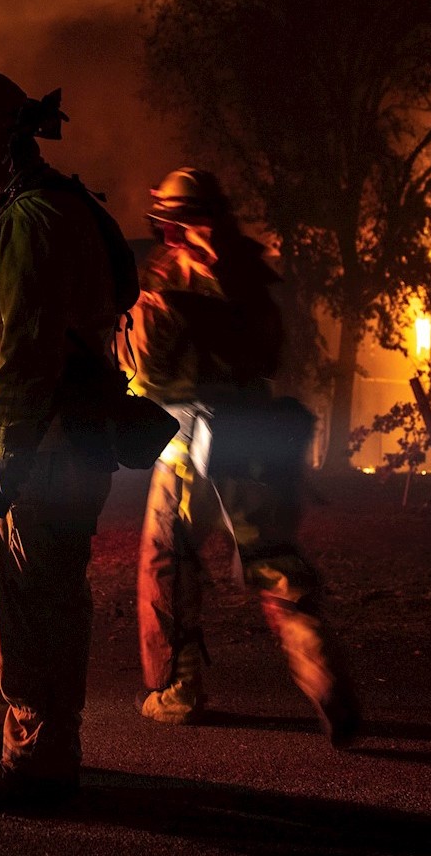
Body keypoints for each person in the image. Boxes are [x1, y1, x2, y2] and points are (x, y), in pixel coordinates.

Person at [0, 71, 137, 811]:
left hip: (43, 447)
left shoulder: (34, 217)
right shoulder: (16, 214)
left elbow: (35, 344)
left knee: (37, 603)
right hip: (21, 444)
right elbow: (16, 311)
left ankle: (41, 757)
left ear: (7, 145)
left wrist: (10, 452)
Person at [123, 167, 361, 745]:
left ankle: (177, 692)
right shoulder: (251, 272)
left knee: (169, 561)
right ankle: (321, 670)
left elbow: (145, 365)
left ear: (171, 222)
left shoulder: (168, 277)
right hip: (256, 439)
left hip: (187, 450)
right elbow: (275, 352)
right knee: (274, 559)